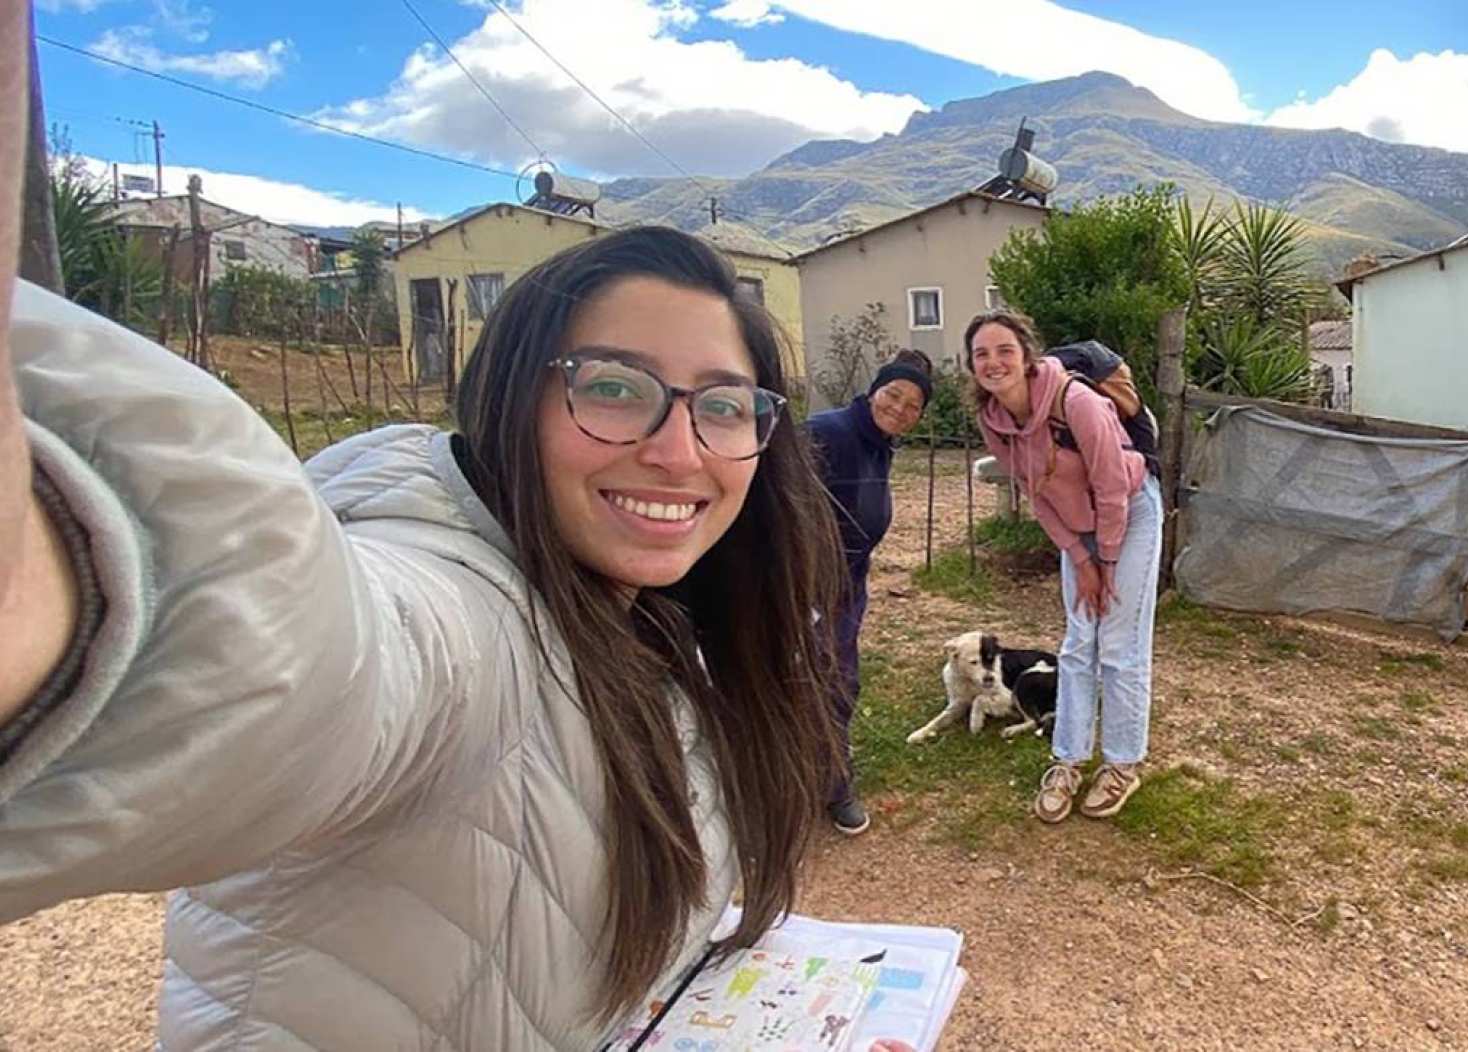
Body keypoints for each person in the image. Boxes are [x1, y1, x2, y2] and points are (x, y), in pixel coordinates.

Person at [0, 16, 866, 1039]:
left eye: (724, 405)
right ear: (509, 395)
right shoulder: (458, 612)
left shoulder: (651, 617)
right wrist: (62, 577)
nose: (679, 453)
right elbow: (294, 658)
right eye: (616, 387)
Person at [967, 309, 1163, 824]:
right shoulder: (994, 421)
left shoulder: (1076, 401)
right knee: (1079, 644)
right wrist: (1081, 558)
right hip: (1077, 528)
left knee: (1119, 644)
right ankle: (1068, 760)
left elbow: (1114, 489)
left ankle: (1121, 763)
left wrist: (1108, 563)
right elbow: (1038, 497)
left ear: (1027, 355)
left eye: (1004, 350)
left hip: (1131, 512)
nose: (994, 363)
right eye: (982, 354)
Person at [806, 349, 932, 835]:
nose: (899, 408)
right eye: (892, 395)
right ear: (873, 390)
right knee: (802, 685)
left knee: (838, 686)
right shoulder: (827, 431)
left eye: (912, 406)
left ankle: (830, 785)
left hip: (845, 585)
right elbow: (779, 502)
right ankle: (791, 790)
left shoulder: (877, 441)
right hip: (804, 585)